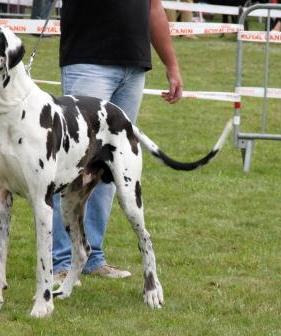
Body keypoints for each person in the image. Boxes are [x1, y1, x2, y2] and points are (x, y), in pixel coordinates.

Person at [52, 0, 183, 284]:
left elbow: (154, 8)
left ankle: (92, 256)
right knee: (72, 166)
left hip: (133, 66)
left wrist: (171, 65)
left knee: (110, 167)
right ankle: (62, 261)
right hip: (88, 61)